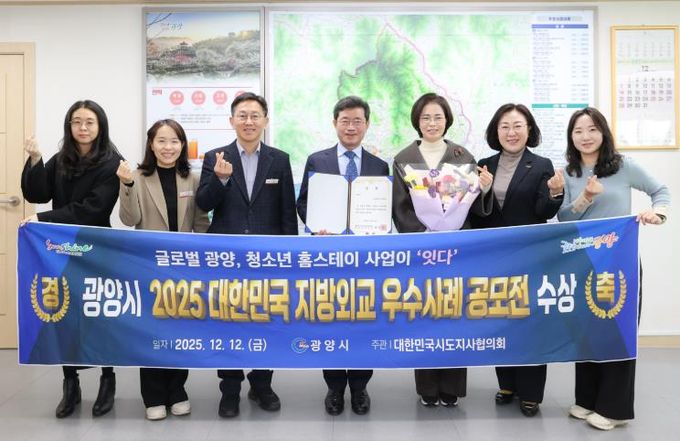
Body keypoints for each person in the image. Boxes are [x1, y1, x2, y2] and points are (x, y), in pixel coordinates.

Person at [557, 107, 670, 430]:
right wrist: (586, 197)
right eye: (578, 131)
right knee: (586, 332)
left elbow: (660, 191)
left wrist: (658, 213)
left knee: (617, 330)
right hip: (584, 262)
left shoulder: (623, 166)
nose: (585, 136)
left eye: (592, 129)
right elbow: (564, 218)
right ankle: (587, 399)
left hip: (619, 262)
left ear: (603, 133)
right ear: (571, 137)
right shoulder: (568, 172)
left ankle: (615, 409)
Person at [195, 92, 297, 418]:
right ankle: (230, 389)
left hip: (268, 258)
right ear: (232, 120)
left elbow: (287, 212)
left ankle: (262, 384)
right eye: (242, 115)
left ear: (265, 121)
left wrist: (290, 257)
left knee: (267, 321)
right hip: (228, 257)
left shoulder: (279, 159)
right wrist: (221, 179)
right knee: (229, 322)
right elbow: (204, 204)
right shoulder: (215, 157)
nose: (249, 121)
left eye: (255, 115)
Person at [21, 99, 122, 418]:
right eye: (76, 122)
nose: (82, 127)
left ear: (100, 126)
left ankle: (107, 380)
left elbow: (93, 209)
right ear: (69, 126)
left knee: (99, 316)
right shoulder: (61, 158)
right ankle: (71, 384)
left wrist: (43, 219)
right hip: (62, 249)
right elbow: (37, 193)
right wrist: (35, 159)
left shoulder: (112, 161)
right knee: (64, 314)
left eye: (89, 122)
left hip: (96, 248)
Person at [392, 92, 493, 407]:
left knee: (453, 313)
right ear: (417, 121)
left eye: (437, 117)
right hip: (421, 249)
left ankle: (451, 387)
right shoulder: (404, 158)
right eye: (426, 118)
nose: (432, 123)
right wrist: (423, 234)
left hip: (456, 249)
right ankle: (427, 387)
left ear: (447, 120)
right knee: (424, 313)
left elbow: (472, 205)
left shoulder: (463, 157)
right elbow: (400, 206)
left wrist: (484, 190)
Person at [296, 96, 389, 416]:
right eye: (345, 121)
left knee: (363, 322)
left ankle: (360, 387)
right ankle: (334, 388)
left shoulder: (379, 166)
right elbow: (304, 202)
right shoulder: (317, 160)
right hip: (328, 257)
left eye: (357, 121)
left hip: (364, 260)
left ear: (367, 125)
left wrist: (377, 227)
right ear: (335, 123)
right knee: (331, 322)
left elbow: (383, 208)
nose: (351, 127)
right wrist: (316, 226)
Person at [470, 103, 564, 417]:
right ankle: (507, 384)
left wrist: (555, 194)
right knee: (501, 320)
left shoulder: (541, 165)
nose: (511, 132)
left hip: (529, 258)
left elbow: (543, 211)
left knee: (530, 325)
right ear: (496, 132)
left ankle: (531, 393)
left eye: (517, 126)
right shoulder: (484, 165)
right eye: (505, 126)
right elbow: (477, 216)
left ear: (529, 130)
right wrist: (482, 191)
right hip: (495, 257)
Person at [117, 119, 210, 420]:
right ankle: (153, 395)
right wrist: (126, 185)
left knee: (179, 329)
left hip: (183, 266)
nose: (168, 147)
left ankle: (177, 390)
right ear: (151, 144)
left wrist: (208, 258)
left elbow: (200, 222)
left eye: (174, 141)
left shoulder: (193, 178)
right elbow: (130, 219)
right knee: (151, 330)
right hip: (149, 265)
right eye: (161, 141)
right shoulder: (137, 177)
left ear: (182, 145)